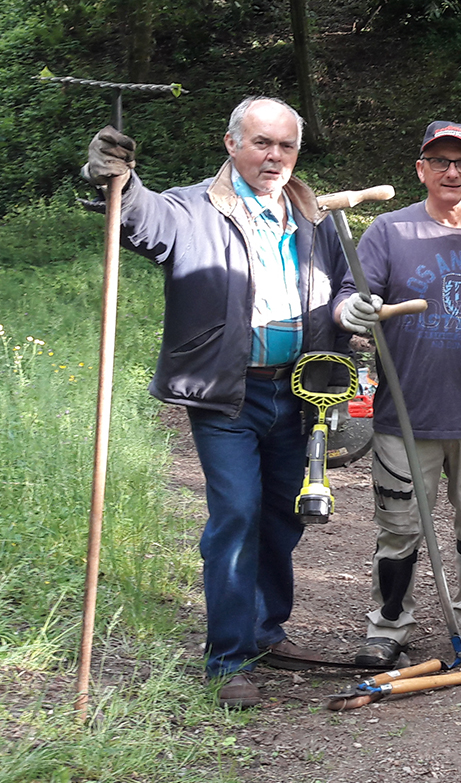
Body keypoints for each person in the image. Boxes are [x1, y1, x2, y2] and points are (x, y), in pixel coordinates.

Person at [82, 97, 351, 709]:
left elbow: (344, 283)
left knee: (283, 515)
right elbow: (139, 218)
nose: (274, 156)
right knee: (236, 513)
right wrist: (116, 180)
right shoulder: (191, 209)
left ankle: (264, 631)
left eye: (285, 145)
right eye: (262, 143)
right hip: (226, 393)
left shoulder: (315, 216)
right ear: (231, 144)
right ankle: (228, 659)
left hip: (301, 390)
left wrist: (347, 309)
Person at [335, 122, 461, 664]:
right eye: (440, 161)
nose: (452, 172)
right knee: (398, 526)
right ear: (421, 169)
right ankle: (389, 625)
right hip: (406, 412)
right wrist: (351, 311)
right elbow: (349, 296)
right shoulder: (388, 232)